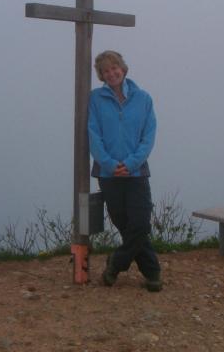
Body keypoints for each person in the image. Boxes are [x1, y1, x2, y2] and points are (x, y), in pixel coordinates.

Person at [87, 50, 162, 292]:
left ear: (123, 68)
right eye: (105, 70)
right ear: (101, 75)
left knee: (139, 224)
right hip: (108, 174)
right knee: (125, 225)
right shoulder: (95, 99)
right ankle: (152, 274)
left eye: (114, 67)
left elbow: (148, 136)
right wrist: (109, 164)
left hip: (136, 172)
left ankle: (116, 264)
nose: (111, 73)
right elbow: (93, 134)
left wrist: (130, 164)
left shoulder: (143, 98)